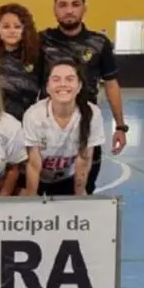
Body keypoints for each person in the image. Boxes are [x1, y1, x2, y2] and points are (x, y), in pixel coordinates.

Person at [40, 0, 127, 194]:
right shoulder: (41, 41)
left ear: (84, 9)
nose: (69, 10)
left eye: (75, 5)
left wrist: (120, 126)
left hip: (86, 130)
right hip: (49, 132)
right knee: (44, 194)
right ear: (54, 10)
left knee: (83, 191)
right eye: (62, 5)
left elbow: (111, 84)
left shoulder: (99, 43)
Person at [22, 60, 105, 196]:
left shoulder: (92, 114)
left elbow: (83, 162)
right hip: (39, 178)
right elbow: (33, 165)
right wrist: (30, 199)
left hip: (67, 178)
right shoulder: (34, 115)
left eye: (69, 79)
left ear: (79, 86)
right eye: (56, 79)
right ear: (47, 87)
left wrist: (79, 196)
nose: (63, 84)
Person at [0, 3, 44, 121]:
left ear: (25, 29)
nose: (12, 31)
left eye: (17, 27)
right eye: (6, 26)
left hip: (27, 120)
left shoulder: (37, 56)